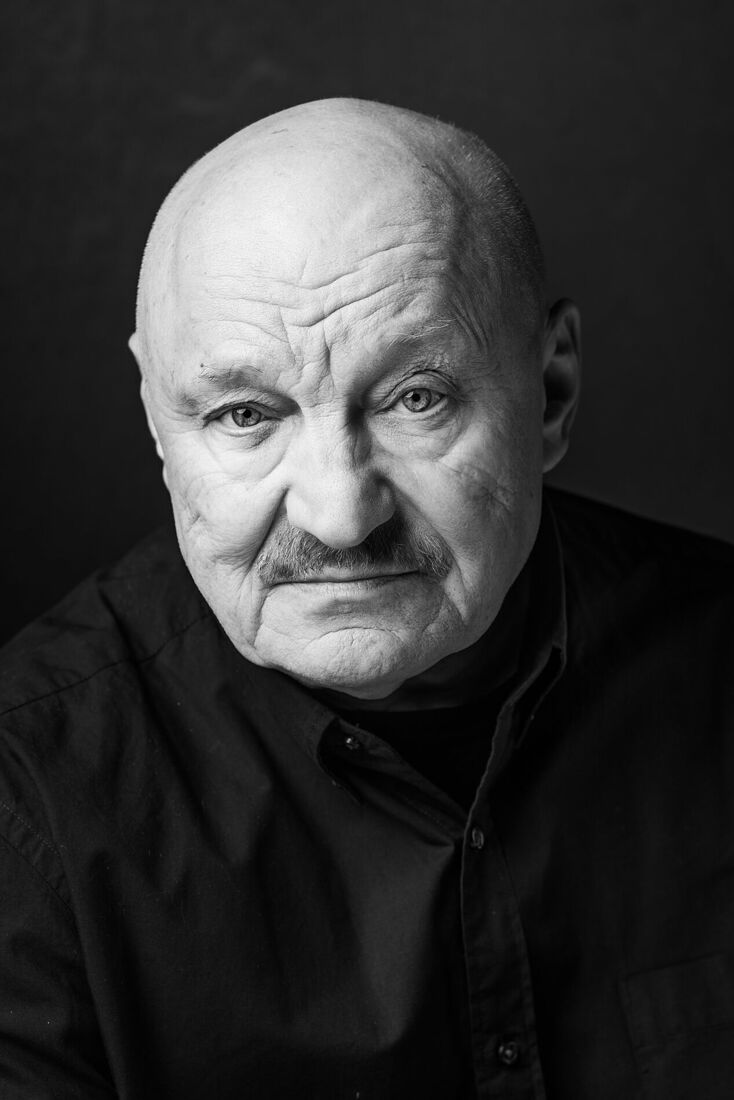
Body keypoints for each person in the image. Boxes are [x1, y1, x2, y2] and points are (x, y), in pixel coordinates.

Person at [0, 97, 732, 1100]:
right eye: (244, 414)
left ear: (550, 393)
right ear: (159, 423)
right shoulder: (25, 799)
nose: (341, 515)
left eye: (415, 398)